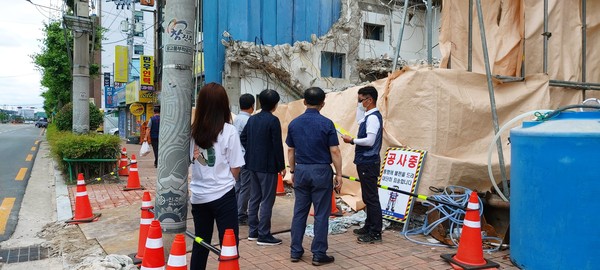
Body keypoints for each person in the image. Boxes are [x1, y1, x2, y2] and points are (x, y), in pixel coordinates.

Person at [189, 82, 245, 270]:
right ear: (224, 104)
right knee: (229, 242)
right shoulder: (229, 131)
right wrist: (224, 180)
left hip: (198, 195)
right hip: (223, 194)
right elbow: (236, 166)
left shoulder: (191, 132)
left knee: (200, 241)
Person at [286, 87, 343, 266]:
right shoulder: (327, 124)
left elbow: (290, 150)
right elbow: (334, 150)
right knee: (321, 214)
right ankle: (319, 254)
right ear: (323, 103)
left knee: (299, 212)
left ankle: (295, 251)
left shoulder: (294, 123)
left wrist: (293, 171)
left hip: (301, 170)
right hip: (321, 171)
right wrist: (339, 174)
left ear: (304, 101)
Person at [240, 89, 286, 246]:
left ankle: (253, 231)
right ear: (275, 104)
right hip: (267, 167)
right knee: (267, 199)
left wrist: (252, 150)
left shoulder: (252, 119)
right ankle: (264, 234)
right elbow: (277, 145)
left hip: (252, 163)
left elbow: (243, 137)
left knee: (255, 197)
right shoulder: (273, 121)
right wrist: (281, 165)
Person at [341, 86, 384, 244]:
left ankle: (375, 232)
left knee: (371, 197)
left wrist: (351, 140)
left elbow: (370, 141)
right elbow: (359, 119)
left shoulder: (373, 118)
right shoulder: (368, 116)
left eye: (361, 100)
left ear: (370, 100)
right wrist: (359, 106)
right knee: (367, 196)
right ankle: (369, 225)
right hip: (365, 161)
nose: (359, 103)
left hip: (369, 162)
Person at [233, 93, 255, 225]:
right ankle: (241, 213)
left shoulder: (236, 119)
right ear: (252, 105)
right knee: (246, 187)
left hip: (236, 157)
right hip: (245, 157)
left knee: (238, 185)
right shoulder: (249, 120)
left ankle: (235, 209)